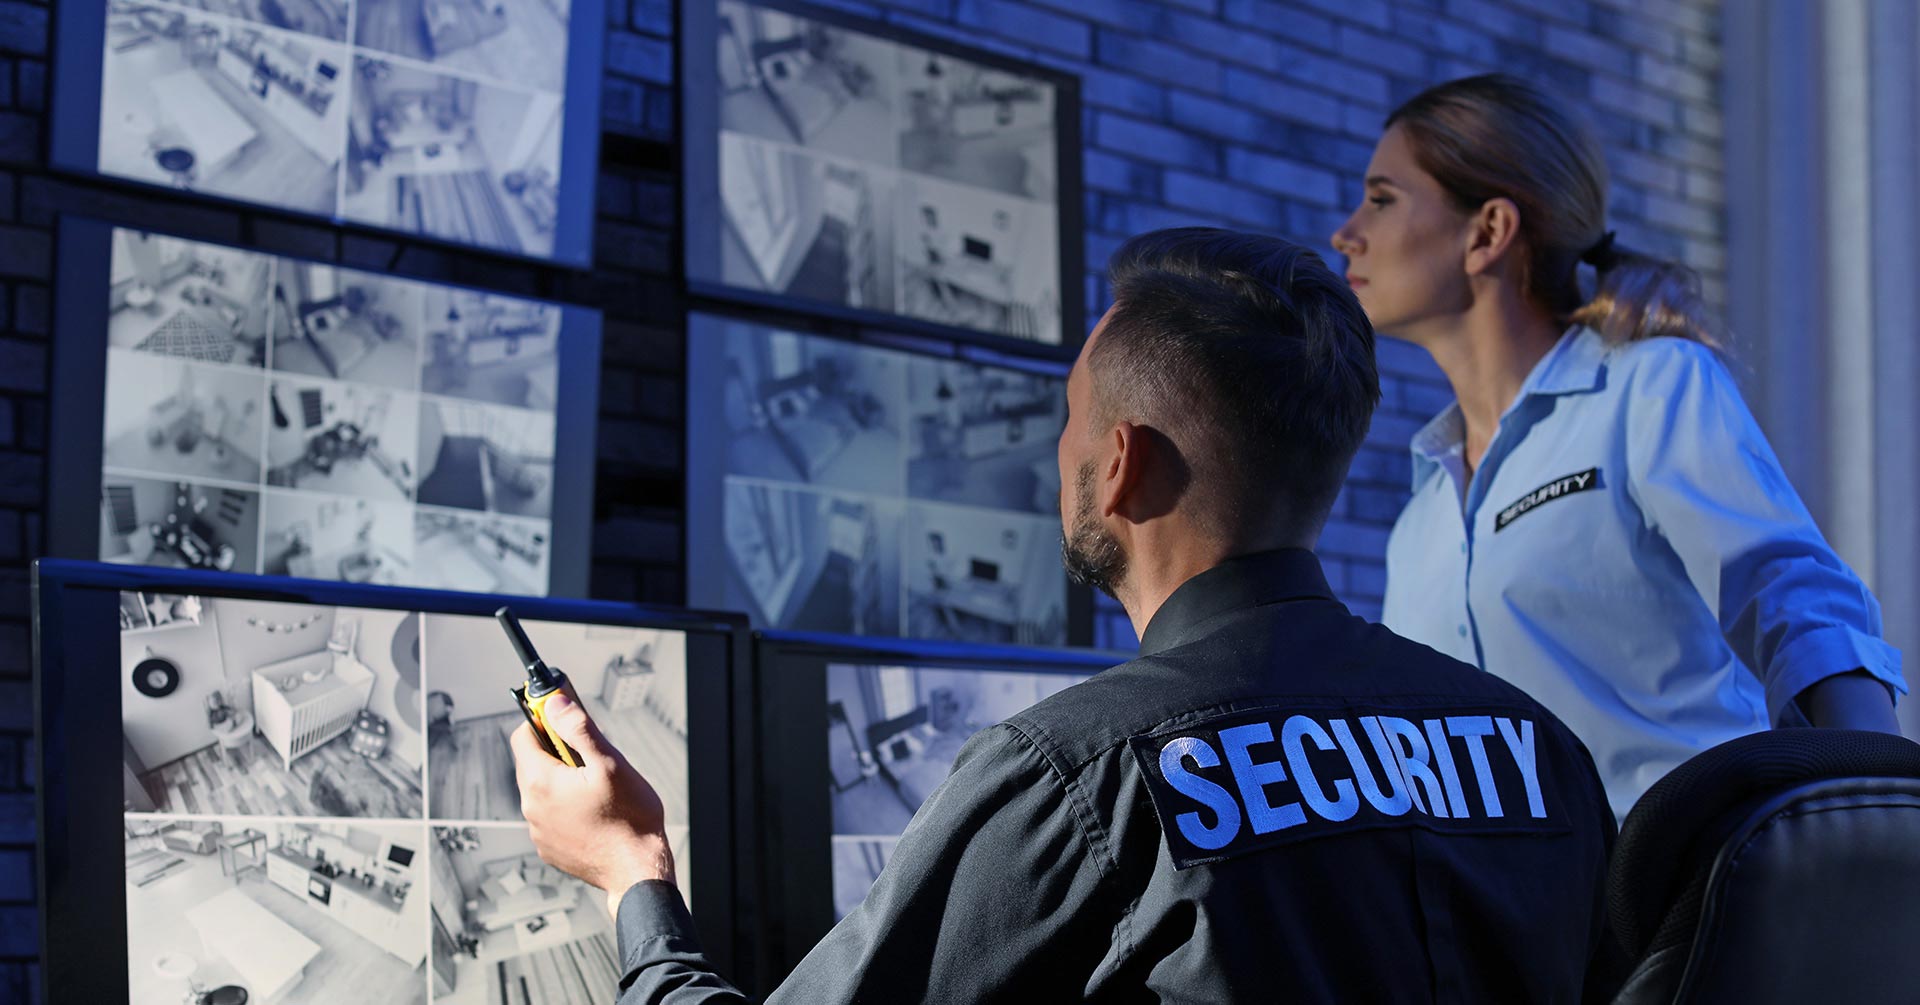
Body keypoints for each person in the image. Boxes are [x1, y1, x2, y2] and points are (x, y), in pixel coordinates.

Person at [513, 228, 1617, 1003]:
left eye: (1074, 420)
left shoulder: (1077, 776)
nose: (1060, 452)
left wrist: (632, 876)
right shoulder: (1541, 752)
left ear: (1121, 466)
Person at [1330, 74, 1906, 820]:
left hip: (1688, 909)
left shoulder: (1650, 388)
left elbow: (1792, 595)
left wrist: (1885, 817)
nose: (1346, 232)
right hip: (1511, 927)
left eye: (1381, 198)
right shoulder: (1421, 518)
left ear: (1488, 231)